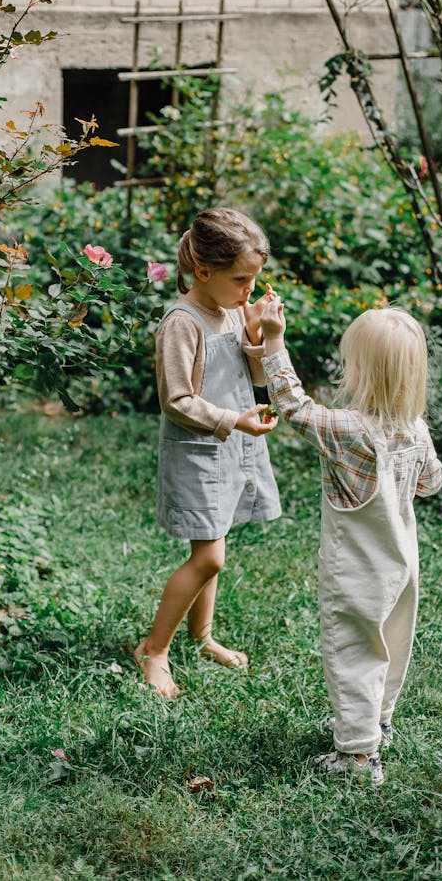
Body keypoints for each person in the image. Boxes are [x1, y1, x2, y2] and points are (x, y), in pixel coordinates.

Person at [260, 300, 442, 786]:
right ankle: (377, 724)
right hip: (403, 563)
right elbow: (432, 484)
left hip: (359, 570)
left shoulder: (348, 429)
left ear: (359, 370)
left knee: (354, 651)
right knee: (393, 643)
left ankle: (358, 759)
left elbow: (293, 407)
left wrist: (273, 341)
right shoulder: (416, 429)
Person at [135, 207, 282, 698]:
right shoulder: (183, 322)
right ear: (203, 272)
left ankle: (202, 638)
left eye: (255, 279)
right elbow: (175, 400)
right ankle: (154, 650)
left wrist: (262, 337)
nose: (249, 291)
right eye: (241, 279)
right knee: (211, 557)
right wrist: (232, 420)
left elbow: (252, 378)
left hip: (234, 446)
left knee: (213, 541)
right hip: (199, 450)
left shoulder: (234, 311)